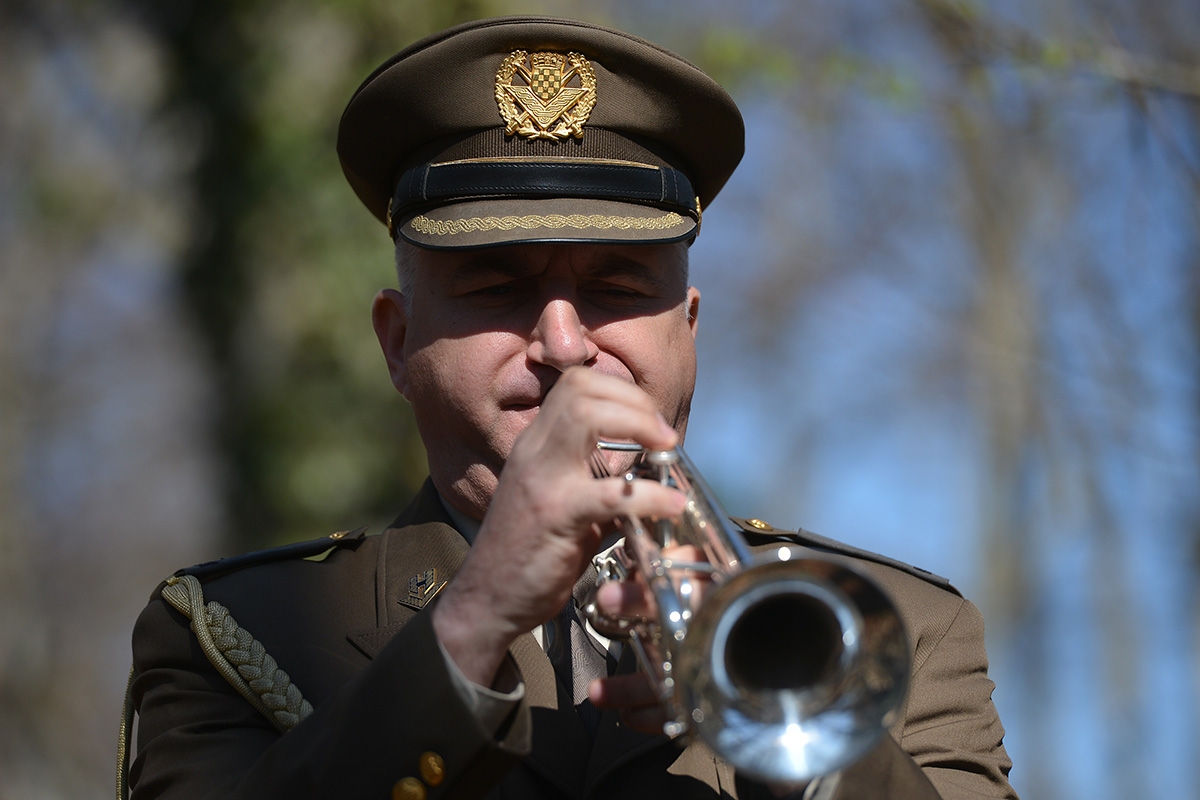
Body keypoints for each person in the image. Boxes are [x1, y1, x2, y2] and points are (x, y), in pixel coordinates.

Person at [122, 16, 1016, 800]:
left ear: (690, 331)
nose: (563, 342)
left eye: (618, 284)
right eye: (497, 285)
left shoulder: (904, 631)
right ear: (398, 343)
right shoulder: (236, 633)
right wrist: (469, 627)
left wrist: (793, 723)